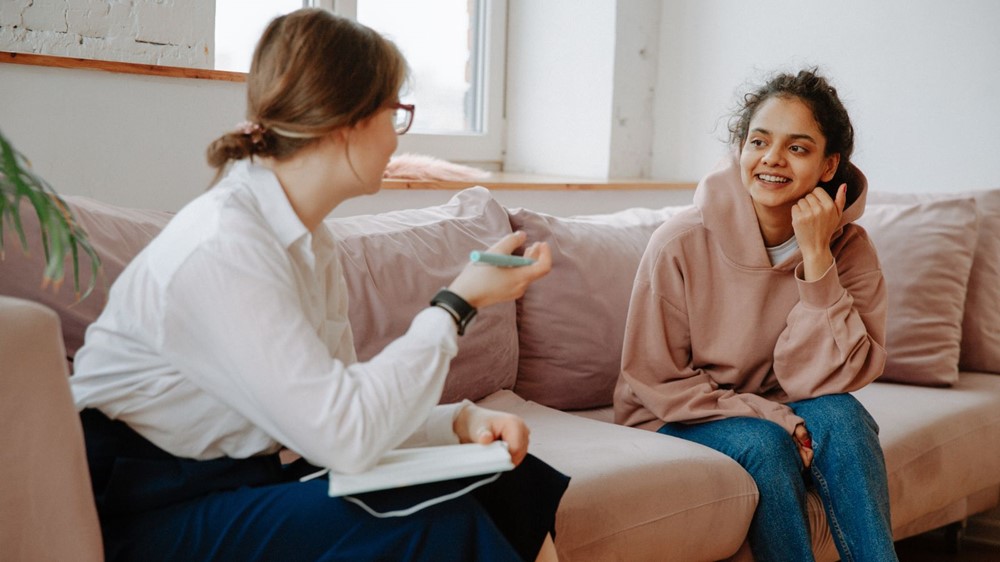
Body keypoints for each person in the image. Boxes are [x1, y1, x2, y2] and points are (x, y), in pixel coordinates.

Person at [71, 8, 568, 561]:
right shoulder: (225, 246)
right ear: (346, 121)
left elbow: (342, 403)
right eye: (394, 112)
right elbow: (345, 437)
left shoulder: (310, 241)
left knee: (507, 479)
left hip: (236, 482)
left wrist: (458, 420)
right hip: (147, 508)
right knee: (433, 521)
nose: (397, 138)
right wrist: (456, 303)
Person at [614, 69, 897, 562]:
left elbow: (843, 376)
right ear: (740, 149)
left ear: (830, 165)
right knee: (766, 445)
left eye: (798, 148)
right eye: (759, 141)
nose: (771, 159)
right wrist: (773, 416)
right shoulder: (680, 242)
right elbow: (655, 378)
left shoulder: (850, 249)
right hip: (673, 414)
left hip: (782, 405)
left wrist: (816, 261)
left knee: (845, 417)